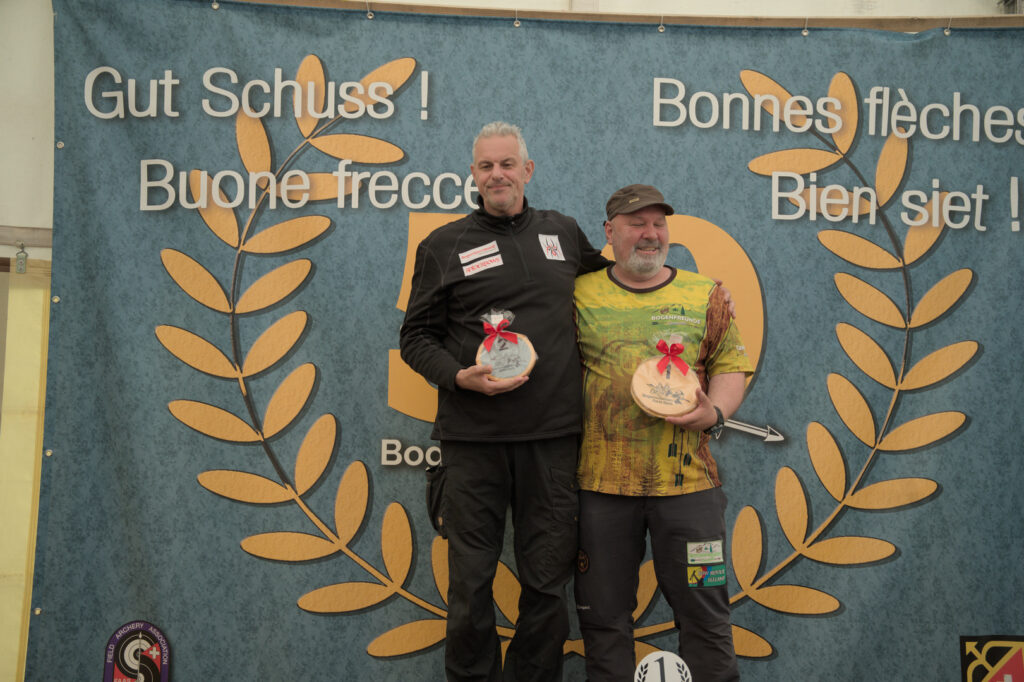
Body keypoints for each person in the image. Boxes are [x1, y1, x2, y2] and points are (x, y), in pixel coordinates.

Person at [399, 121, 610, 682]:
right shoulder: (442, 245)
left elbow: (619, 289)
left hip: (553, 440)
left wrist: (694, 292)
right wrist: (458, 377)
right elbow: (414, 338)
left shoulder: (563, 233)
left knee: (546, 584)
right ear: (473, 174)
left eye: (507, 164)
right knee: (471, 585)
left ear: (527, 170)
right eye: (487, 166)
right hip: (473, 444)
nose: (498, 174)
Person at [573, 184, 753, 682]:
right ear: (609, 232)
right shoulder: (578, 293)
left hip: (689, 490)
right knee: (603, 621)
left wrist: (716, 412)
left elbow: (730, 365)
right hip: (602, 490)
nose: (650, 234)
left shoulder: (705, 294)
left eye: (658, 223)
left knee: (706, 618)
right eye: (636, 224)